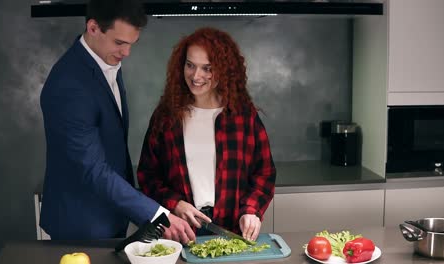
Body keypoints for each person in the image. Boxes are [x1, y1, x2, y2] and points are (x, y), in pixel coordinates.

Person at [39, 0, 195, 243]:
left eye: (132, 44)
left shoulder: (106, 59)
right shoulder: (69, 85)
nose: (126, 53)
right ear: (93, 28)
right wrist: (157, 214)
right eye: (120, 43)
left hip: (111, 213)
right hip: (81, 222)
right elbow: (92, 169)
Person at [137, 27, 276, 241]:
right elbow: (148, 175)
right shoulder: (167, 115)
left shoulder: (243, 116)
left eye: (207, 68)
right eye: (190, 65)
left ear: (224, 70)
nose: (196, 76)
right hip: (180, 231)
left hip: (230, 230)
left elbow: (264, 173)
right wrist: (175, 204)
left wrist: (251, 211)